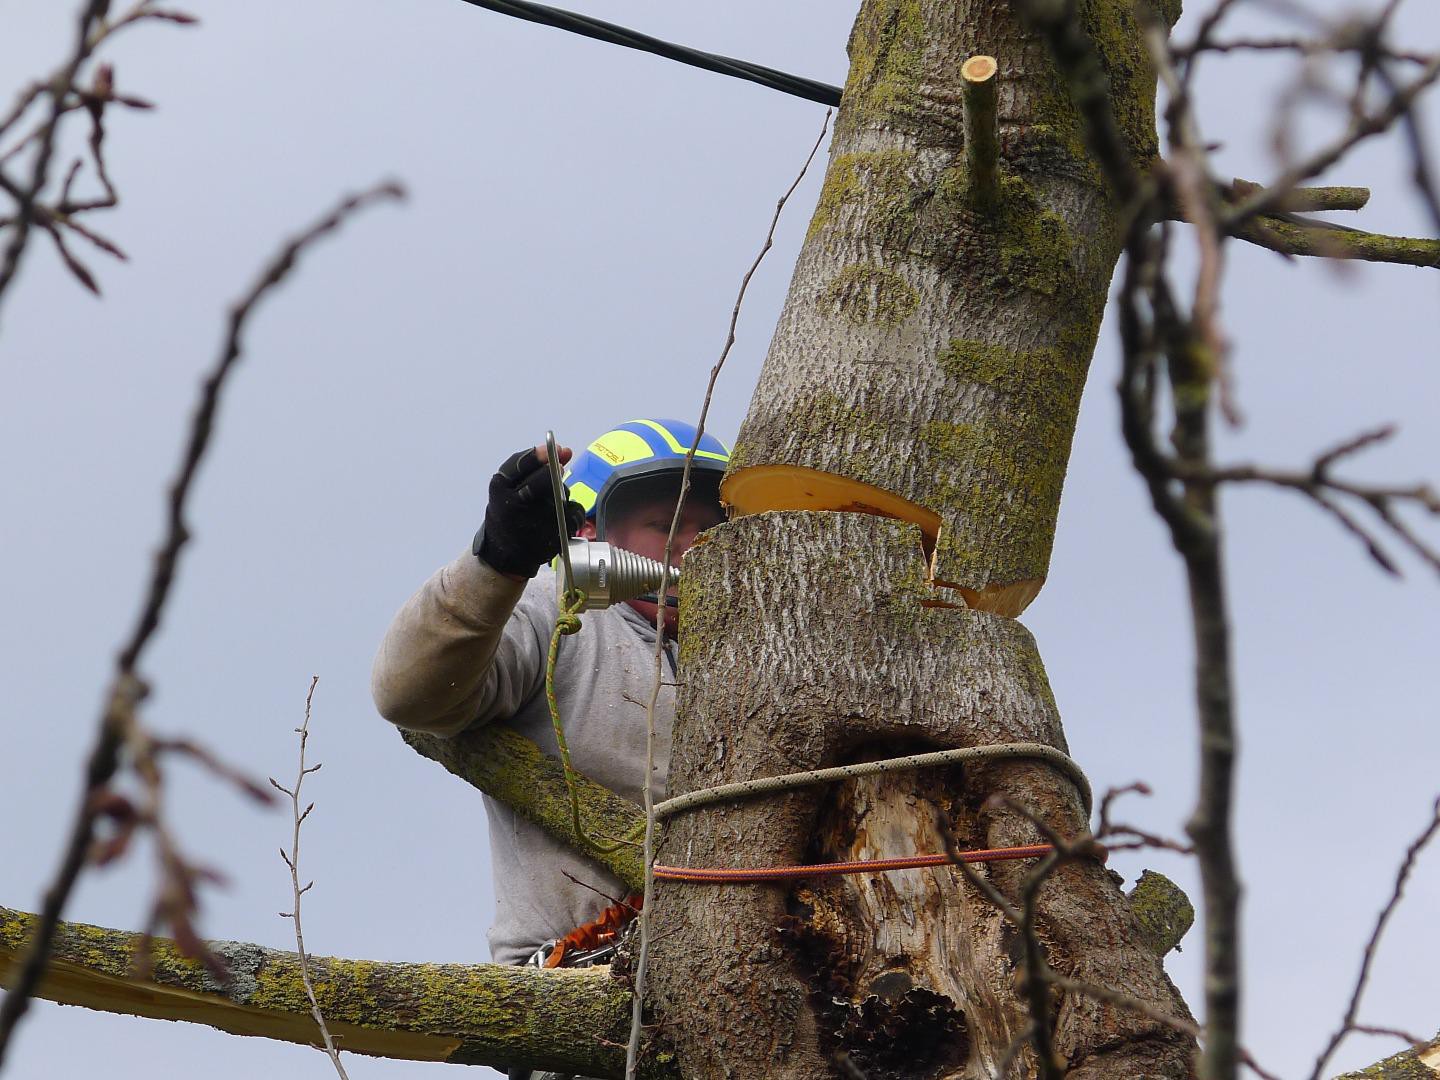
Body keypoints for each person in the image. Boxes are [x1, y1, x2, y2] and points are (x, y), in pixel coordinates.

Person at [371, 418, 729, 975]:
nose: (692, 550)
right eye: (667, 525)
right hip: (573, 980)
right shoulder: (554, 616)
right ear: (589, 535)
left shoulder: (752, 652)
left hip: (732, 969)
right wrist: (494, 564)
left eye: (710, 531)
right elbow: (409, 695)